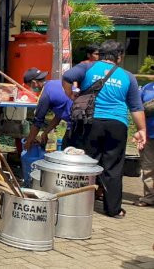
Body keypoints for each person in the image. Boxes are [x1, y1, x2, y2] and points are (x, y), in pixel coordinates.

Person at [62, 40, 147, 218]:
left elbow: (67, 76)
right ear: (119, 57)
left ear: (100, 54)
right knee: (113, 168)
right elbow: (136, 107)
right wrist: (141, 130)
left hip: (91, 122)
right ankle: (113, 210)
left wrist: (69, 94)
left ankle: (79, 205)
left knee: (86, 163)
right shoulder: (128, 76)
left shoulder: (87, 68)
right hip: (117, 124)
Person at [22, 68, 75, 150]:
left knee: (68, 154)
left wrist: (28, 142)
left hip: (77, 124)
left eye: (29, 86)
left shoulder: (46, 95)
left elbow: (37, 122)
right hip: (89, 117)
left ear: (34, 83)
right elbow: (58, 116)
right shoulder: (57, 83)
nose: (31, 89)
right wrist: (46, 132)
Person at [136, 82, 154, 207]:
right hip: (148, 134)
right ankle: (149, 197)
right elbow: (137, 108)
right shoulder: (146, 88)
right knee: (148, 168)